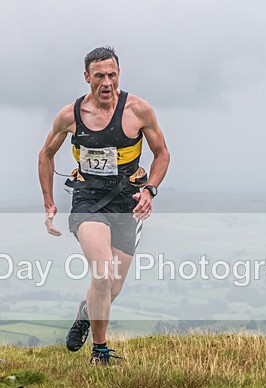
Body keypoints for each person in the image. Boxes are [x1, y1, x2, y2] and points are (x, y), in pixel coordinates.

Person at [37, 46, 170, 365]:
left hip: (129, 202)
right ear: (87, 78)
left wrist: (150, 189)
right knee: (102, 272)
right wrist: (49, 202)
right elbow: (45, 154)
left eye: (112, 75)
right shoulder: (70, 115)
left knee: (112, 288)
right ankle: (100, 351)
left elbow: (162, 153)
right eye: (99, 76)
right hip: (88, 200)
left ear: (119, 74)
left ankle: (86, 312)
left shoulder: (139, 110)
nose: (107, 82)